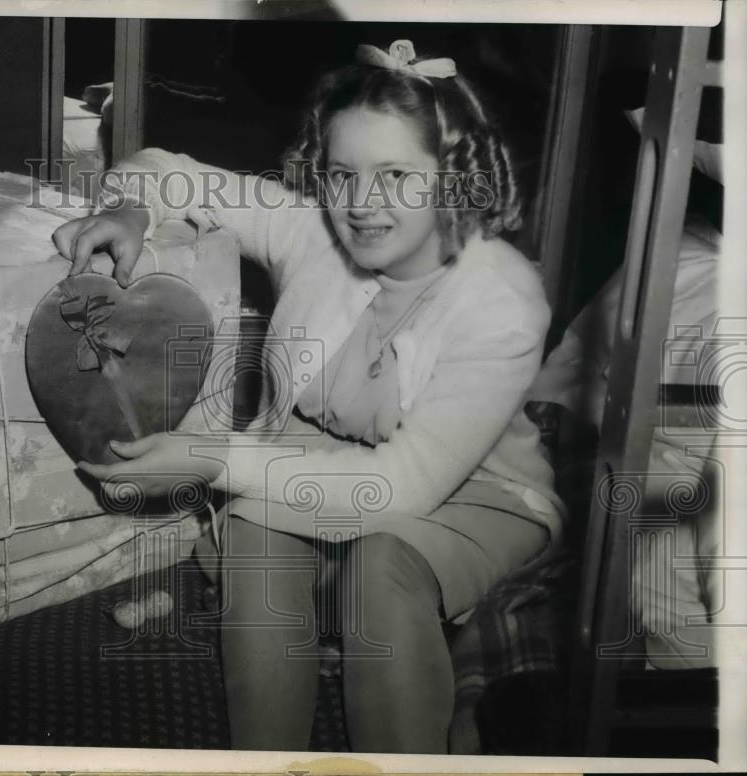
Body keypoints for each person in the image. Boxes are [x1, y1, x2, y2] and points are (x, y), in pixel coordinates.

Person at [52, 39, 566, 754]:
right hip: (320, 455)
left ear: (451, 177)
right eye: (342, 174)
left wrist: (210, 457)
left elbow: (401, 487)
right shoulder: (315, 232)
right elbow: (169, 172)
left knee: (382, 566)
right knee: (257, 539)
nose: (362, 205)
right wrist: (132, 211)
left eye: (395, 175)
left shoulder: (503, 298)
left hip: (474, 491)